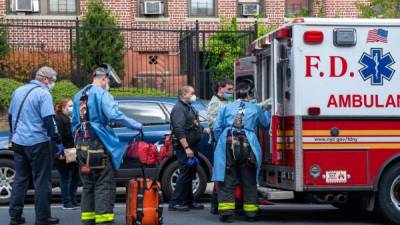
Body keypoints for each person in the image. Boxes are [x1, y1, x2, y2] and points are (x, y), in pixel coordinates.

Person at [71, 63, 143, 225]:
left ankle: (88, 220)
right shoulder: (102, 95)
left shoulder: (79, 95)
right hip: (99, 147)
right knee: (104, 184)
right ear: (103, 79)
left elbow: (74, 122)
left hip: (82, 147)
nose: (108, 84)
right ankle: (104, 221)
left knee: (88, 185)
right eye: (108, 81)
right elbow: (114, 115)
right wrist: (135, 125)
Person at [8, 66, 61, 225]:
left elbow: (11, 116)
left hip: (19, 141)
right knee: (42, 181)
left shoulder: (18, 90)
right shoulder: (43, 93)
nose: (53, 83)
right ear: (45, 79)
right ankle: (43, 218)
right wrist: (57, 141)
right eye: (53, 80)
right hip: (38, 142)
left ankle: (15, 216)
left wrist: (14, 135)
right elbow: (49, 121)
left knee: (20, 179)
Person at [213, 81, 271, 222]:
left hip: (228, 143)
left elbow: (217, 128)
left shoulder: (226, 107)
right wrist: (268, 113)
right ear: (249, 94)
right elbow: (265, 125)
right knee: (249, 179)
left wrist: (220, 142)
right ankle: (251, 213)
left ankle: (227, 213)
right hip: (248, 144)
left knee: (227, 178)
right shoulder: (255, 108)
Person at [168, 85, 207, 211]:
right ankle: (175, 203)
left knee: (190, 173)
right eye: (192, 93)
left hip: (192, 146)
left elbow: (192, 124)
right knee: (184, 173)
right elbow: (179, 129)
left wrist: (204, 129)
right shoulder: (179, 109)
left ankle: (188, 200)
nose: (194, 95)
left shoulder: (188, 107)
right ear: (184, 94)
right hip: (185, 148)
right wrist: (186, 147)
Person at [206, 79, 234, 214]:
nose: (231, 92)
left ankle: (218, 204)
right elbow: (212, 123)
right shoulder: (214, 103)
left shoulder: (226, 102)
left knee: (225, 173)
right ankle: (215, 204)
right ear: (220, 88)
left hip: (227, 140)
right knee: (220, 172)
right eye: (229, 89)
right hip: (219, 142)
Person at [54, 98, 80, 210]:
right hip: (65, 150)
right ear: (63, 107)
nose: (72, 108)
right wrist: (60, 151)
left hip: (72, 150)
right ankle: (67, 201)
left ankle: (72, 199)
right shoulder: (59, 118)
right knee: (66, 176)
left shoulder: (70, 118)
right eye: (69, 105)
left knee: (75, 176)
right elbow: (58, 135)